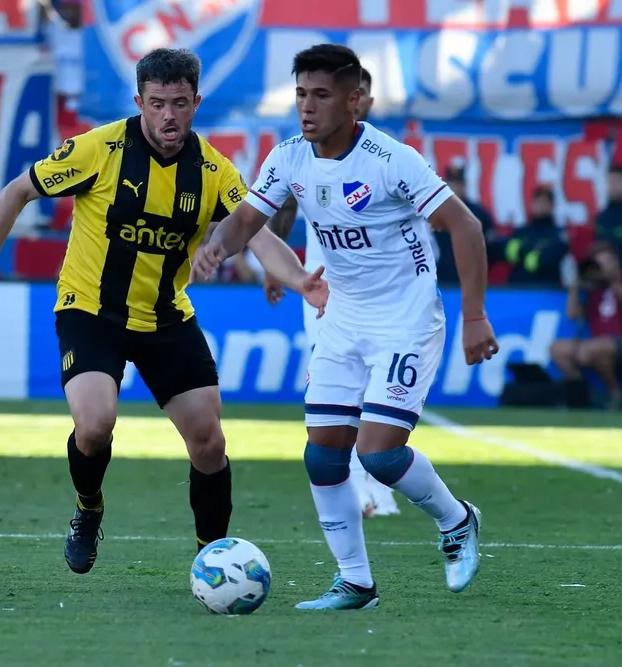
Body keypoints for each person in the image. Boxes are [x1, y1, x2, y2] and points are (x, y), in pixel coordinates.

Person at [0, 48, 326, 575]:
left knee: (209, 441)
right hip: (90, 311)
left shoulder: (212, 170)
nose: (169, 116)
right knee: (96, 424)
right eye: (157, 104)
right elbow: (15, 193)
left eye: (179, 104)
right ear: (139, 103)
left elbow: (259, 236)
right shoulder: (98, 150)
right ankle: (88, 508)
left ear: (196, 102)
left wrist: (300, 278)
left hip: (167, 317)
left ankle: (211, 560)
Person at [192, 44, 499, 610]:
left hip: (405, 319)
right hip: (341, 318)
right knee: (324, 455)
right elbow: (249, 218)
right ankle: (355, 582)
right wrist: (219, 248)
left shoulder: (391, 159)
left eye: (322, 95)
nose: (307, 107)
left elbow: (467, 227)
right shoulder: (288, 157)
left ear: (354, 100)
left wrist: (474, 317)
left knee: (379, 454)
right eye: (301, 94)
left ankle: (457, 521)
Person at [262, 67, 400, 520]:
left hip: (381, 294)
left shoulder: (387, 158)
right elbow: (283, 205)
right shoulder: (306, 154)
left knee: (376, 391)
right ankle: (360, 490)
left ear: (364, 102)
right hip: (326, 287)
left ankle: (375, 484)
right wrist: (277, 267)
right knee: (335, 387)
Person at [549, 241, 622, 410]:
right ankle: (584, 394)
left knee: (596, 348)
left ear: (615, 261)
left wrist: (613, 280)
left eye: (605, 261)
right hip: (597, 343)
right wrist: (576, 285)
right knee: (557, 349)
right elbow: (573, 314)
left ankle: (615, 394)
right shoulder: (593, 287)